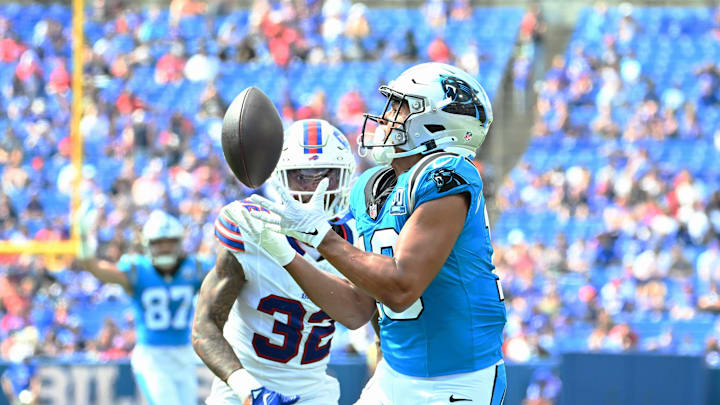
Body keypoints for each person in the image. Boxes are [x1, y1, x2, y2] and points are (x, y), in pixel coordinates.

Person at [246, 63, 508, 404]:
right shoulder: (370, 187)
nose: (386, 118)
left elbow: (401, 287)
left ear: (434, 122)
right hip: (396, 373)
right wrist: (283, 253)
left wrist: (322, 236)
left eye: (399, 107)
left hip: (458, 380)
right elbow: (357, 308)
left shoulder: (448, 174)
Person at [191, 119, 359, 405]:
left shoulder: (359, 236)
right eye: (301, 175)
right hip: (242, 392)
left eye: (323, 174)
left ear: (343, 176)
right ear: (281, 178)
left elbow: (371, 322)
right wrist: (248, 389)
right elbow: (204, 326)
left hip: (314, 393)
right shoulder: (252, 227)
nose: (312, 188)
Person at [76, 208, 209, 405]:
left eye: (170, 242)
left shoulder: (195, 268)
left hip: (184, 355)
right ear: (148, 244)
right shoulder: (138, 270)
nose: (164, 248)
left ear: (179, 242)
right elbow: (95, 268)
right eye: (159, 243)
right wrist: (85, 241)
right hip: (153, 358)